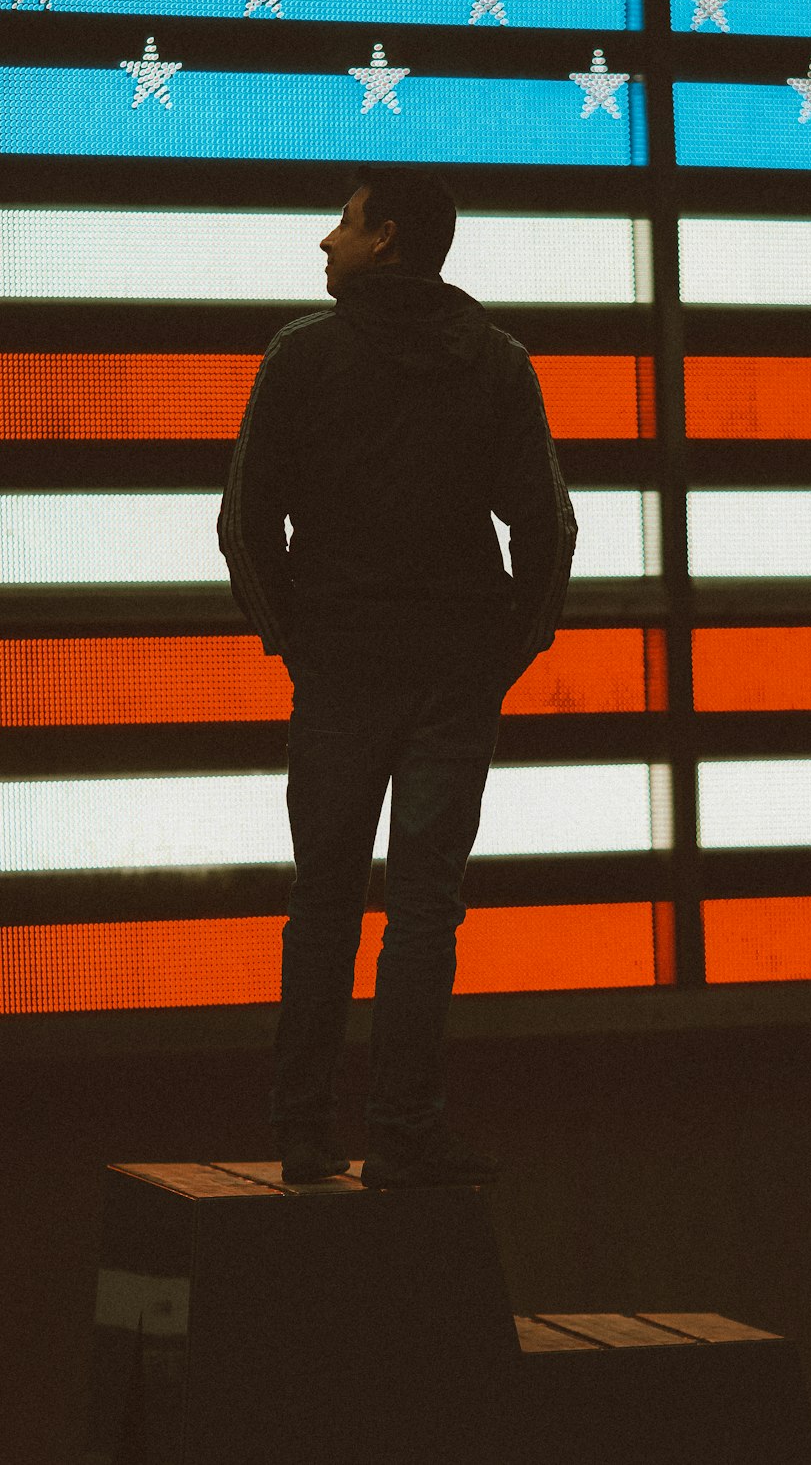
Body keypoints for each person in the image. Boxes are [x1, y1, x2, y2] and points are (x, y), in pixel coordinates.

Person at [217, 165, 578, 1186]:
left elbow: (247, 521)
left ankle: (301, 1132)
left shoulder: (305, 356)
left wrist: (294, 635)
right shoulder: (499, 362)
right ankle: (405, 1132)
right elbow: (547, 527)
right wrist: (510, 647)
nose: (325, 242)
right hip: (454, 670)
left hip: (342, 665)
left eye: (342, 222)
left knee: (324, 897)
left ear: (386, 239)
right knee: (426, 906)